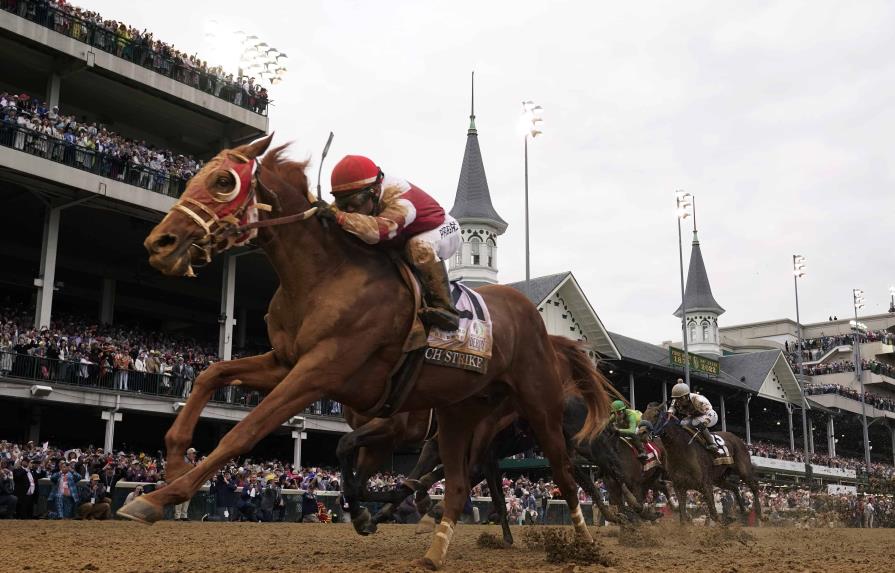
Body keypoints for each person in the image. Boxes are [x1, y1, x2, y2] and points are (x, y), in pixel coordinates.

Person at [318, 155, 462, 331]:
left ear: (375, 191)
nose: (349, 209)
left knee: (418, 246)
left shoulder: (401, 197)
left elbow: (378, 232)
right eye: (343, 203)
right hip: (403, 235)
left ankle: (446, 309)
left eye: (353, 203)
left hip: (442, 229)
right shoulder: (364, 192)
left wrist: (337, 216)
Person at [668, 379, 720, 453]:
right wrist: (670, 413)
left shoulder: (698, 399)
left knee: (697, 422)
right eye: (677, 398)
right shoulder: (676, 400)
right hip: (694, 416)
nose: (678, 401)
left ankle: (712, 443)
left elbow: (710, 412)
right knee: (682, 423)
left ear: (686, 396)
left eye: (680, 399)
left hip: (710, 416)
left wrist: (705, 421)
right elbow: (672, 408)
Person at [173, 447, 198, 520]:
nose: (195, 455)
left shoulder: (191, 461)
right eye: (194, 453)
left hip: (188, 482)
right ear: (189, 454)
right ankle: (177, 516)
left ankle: (184, 515)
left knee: (187, 498)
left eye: (195, 454)